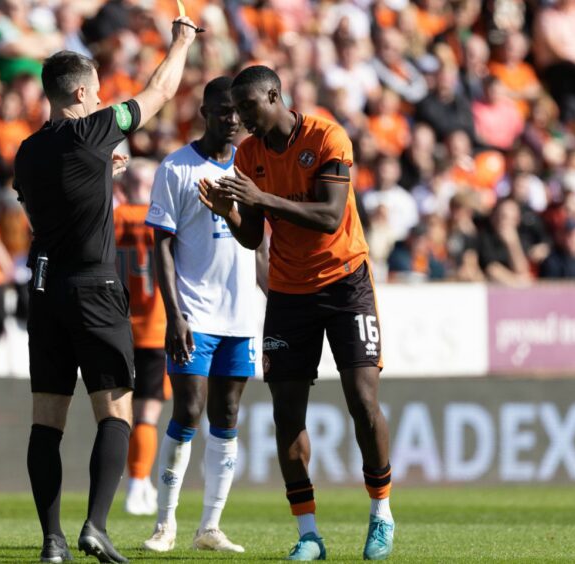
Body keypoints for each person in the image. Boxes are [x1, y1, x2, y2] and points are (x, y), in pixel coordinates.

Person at [12, 16, 197, 564]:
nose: (100, 98)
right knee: (114, 412)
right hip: (96, 287)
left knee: (46, 418)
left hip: (44, 288)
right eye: (95, 90)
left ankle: (52, 540)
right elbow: (160, 90)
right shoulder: (95, 130)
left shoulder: (27, 151)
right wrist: (182, 41)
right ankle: (95, 525)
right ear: (81, 93)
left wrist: (101, 178)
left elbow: (45, 205)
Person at [201, 65, 395, 561]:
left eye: (248, 108)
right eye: (237, 111)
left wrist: (260, 198)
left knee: (361, 400)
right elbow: (252, 237)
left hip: (345, 280)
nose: (241, 119)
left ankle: (381, 513)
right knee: (287, 413)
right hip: (288, 292)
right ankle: (309, 534)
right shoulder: (248, 154)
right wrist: (230, 211)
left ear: (274, 96)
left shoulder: (327, 136)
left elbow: (331, 216)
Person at [140, 76, 256, 555]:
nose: (232, 120)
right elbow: (160, 247)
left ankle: (210, 526)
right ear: (204, 112)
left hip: (241, 316)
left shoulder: (253, 168)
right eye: (223, 110)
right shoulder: (177, 167)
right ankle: (164, 524)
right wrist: (175, 314)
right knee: (188, 409)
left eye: (238, 112)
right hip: (195, 312)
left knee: (227, 415)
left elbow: (258, 240)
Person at [112, 158, 169, 517]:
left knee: (120, 413)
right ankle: (137, 482)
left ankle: (136, 480)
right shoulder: (161, 220)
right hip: (156, 326)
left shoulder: (112, 219)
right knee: (147, 412)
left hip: (116, 326)